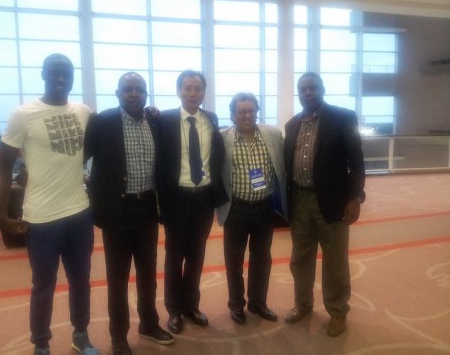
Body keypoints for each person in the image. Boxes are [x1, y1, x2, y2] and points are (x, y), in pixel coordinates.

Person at [0, 53, 98, 355]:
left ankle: (80, 334)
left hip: (79, 213)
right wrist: (2, 214)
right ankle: (41, 343)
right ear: (42, 74)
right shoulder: (23, 114)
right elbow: (3, 169)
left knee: (81, 281)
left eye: (66, 71)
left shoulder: (83, 111)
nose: (61, 77)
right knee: (43, 285)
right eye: (54, 71)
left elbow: (102, 141)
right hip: (41, 219)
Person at [84, 72, 174, 355]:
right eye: (128, 89)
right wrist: (95, 204)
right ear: (118, 93)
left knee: (148, 274)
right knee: (118, 279)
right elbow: (81, 162)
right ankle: (118, 335)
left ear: (146, 94)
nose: (134, 94)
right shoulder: (102, 121)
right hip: (116, 213)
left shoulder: (155, 122)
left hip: (147, 209)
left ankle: (149, 323)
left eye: (139, 89)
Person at [283, 72, 366, 337]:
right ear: (298, 93)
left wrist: (355, 197)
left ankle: (338, 311)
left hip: (333, 202)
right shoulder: (292, 124)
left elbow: (357, 160)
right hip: (299, 199)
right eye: (303, 89)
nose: (308, 92)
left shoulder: (343, 117)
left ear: (322, 89)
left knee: (335, 262)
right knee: (300, 258)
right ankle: (303, 305)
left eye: (312, 87)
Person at [156, 69, 228, 334]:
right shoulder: (163, 120)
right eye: (187, 88)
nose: (192, 93)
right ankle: (174, 311)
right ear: (178, 91)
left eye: (197, 88)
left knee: (196, 256)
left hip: (204, 199)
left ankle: (191, 306)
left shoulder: (211, 118)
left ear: (204, 92)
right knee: (174, 256)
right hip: (176, 199)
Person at [216, 92, 287, 325]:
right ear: (232, 115)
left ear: (257, 111)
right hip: (235, 208)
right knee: (234, 261)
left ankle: (258, 303)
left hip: (264, 208)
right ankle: (236, 305)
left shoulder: (273, 135)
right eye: (241, 111)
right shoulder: (222, 137)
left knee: (261, 258)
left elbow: (282, 167)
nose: (247, 115)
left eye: (251, 110)